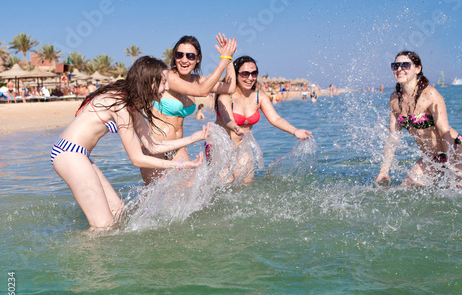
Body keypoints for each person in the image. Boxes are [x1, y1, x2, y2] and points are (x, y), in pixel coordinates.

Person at [51, 56, 207, 230]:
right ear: (150, 82)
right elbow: (137, 159)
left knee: (119, 212)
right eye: (164, 82)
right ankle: (81, 255)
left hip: (79, 155)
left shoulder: (133, 103)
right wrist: (181, 165)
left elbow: (153, 145)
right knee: (103, 225)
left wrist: (194, 138)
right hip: (69, 153)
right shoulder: (121, 105)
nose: (168, 88)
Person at [140, 34, 237, 184]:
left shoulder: (198, 80)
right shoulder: (167, 77)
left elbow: (230, 88)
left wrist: (228, 59)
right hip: (154, 146)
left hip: (178, 147)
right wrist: (222, 62)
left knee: (190, 195)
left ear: (197, 59)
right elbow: (202, 92)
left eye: (190, 56)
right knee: (158, 200)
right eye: (180, 55)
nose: (184, 60)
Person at [375, 51, 462, 187]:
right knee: (407, 189)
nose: (399, 69)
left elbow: (444, 131)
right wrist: (384, 171)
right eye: (395, 65)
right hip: (433, 157)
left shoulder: (430, 94)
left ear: (417, 69)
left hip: (455, 149)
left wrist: (451, 164)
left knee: (457, 190)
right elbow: (393, 137)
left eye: (405, 65)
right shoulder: (394, 99)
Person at [213, 55, 313, 182]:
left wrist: (295, 131)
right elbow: (228, 119)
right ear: (236, 74)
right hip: (221, 147)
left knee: (246, 184)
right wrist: (235, 127)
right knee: (226, 183)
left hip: (242, 146)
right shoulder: (226, 96)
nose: (250, 78)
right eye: (245, 74)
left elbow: (275, 119)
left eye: (254, 73)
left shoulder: (259, 96)